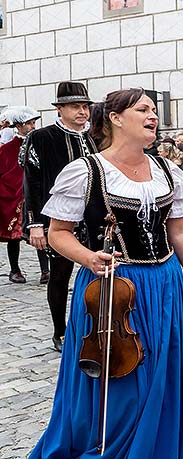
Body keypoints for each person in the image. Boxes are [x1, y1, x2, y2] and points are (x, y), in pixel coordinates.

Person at [4, 88, 183, 459]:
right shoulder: (86, 171)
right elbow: (59, 232)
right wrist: (88, 257)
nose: (153, 117)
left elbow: (180, 232)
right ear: (116, 118)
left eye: (154, 111)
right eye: (143, 110)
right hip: (113, 289)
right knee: (120, 389)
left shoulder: (167, 171)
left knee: (159, 380)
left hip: (164, 285)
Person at [21, 82, 99, 351]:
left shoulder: (93, 138)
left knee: (99, 271)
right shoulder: (42, 137)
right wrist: (35, 224)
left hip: (93, 220)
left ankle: (96, 327)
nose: (82, 111)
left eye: (85, 106)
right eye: (75, 106)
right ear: (60, 109)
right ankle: (59, 330)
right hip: (58, 220)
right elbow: (32, 182)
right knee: (59, 275)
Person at [0, 107, 40, 283]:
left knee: (40, 231)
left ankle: (46, 270)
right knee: (14, 236)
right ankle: (15, 269)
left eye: (33, 123)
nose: (32, 127)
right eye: (29, 123)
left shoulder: (39, 144)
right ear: (18, 125)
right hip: (14, 195)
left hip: (35, 193)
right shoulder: (7, 149)